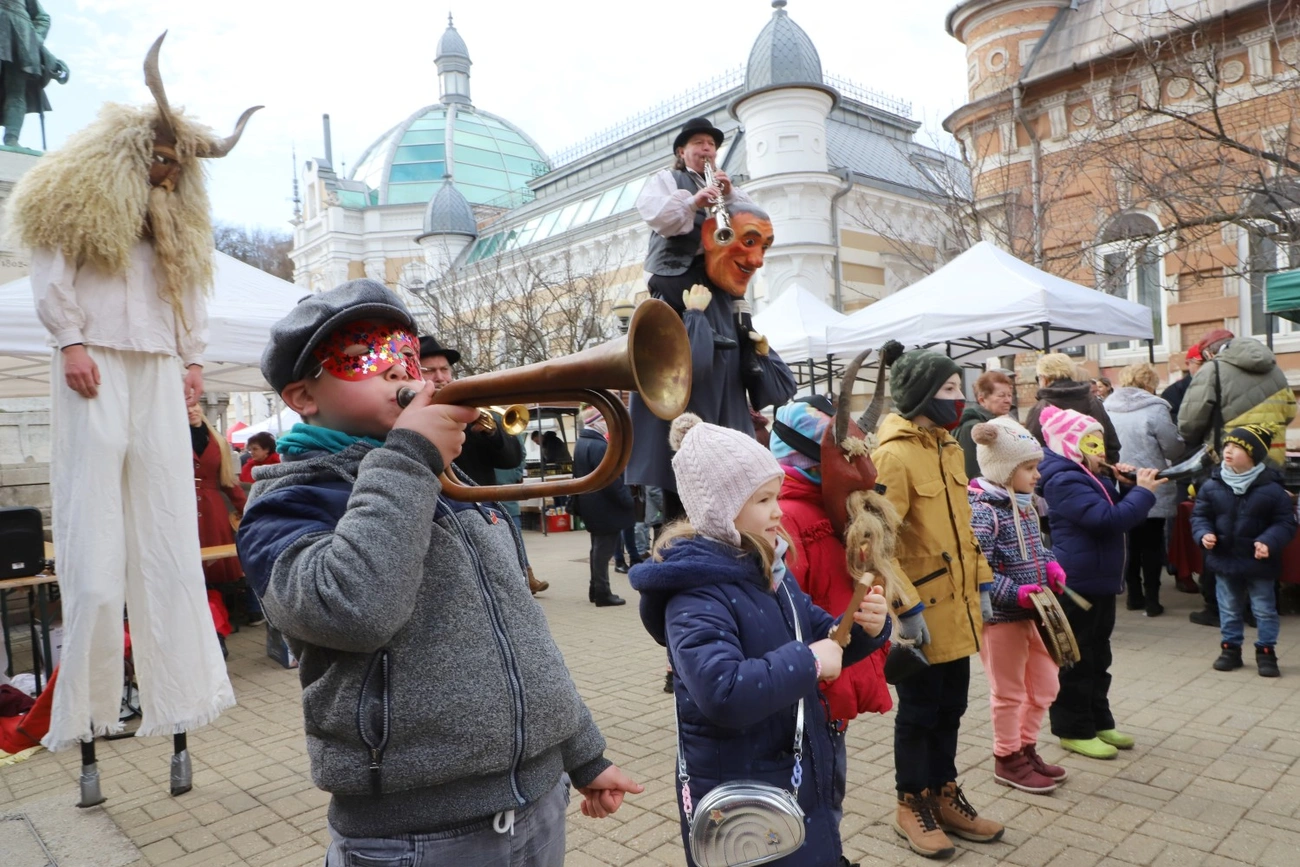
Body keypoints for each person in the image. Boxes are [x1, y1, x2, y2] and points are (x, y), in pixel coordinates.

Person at [237, 280, 641, 862]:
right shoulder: (288, 500)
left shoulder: (448, 481)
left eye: (405, 355)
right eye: (364, 358)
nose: (401, 372)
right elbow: (353, 610)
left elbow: (520, 632)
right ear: (303, 395)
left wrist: (582, 754)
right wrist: (408, 457)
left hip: (536, 805)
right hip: (414, 835)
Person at [6, 33, 253, 761]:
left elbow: (185, 293)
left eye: (178, 164)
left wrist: (192, 361)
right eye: (162, 157)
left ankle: (179, 697)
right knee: (93, 542)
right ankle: (85, 710)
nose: (170, 171)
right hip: (96, 363)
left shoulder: (172, 221)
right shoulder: (77, 200)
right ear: (134, 150)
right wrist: (71, 341)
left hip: (153, 369)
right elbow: (50, 270)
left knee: (169, 534)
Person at [628, 413, 891, 867]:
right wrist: (808, 663)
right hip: (740, 797)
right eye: (764, 499)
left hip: (790, 768)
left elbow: (822, 633)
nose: (779, 511)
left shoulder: (769, 570)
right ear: (721, 508)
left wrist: (867, 627)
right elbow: (722, 690)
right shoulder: (695, 594)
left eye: (778, 496)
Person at [871, 342, 1002, 860]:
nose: (960, 398)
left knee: (952, 706)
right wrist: (906, 608)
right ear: (922, 393)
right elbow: (874, 543)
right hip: (921, 616)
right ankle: (912, 804)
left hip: (961, 608)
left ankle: (944, 794)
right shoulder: (893, 454)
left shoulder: (948, 446)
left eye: (959, 387)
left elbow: (965, 530)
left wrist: (986, 582)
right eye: (949, 389)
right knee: (920, 712)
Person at [769, 399, 893, 852]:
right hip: (810, 693)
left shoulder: (832, 509)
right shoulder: (789, 519)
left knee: (827, 798)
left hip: (832, 685)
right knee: (813, 802)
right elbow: (787, 616)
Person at [626, 198, 797, 522]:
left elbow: (780, 390)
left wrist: (760, 352)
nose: (757, 260)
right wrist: (694, 317)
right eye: (747, 242)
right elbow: (692, 371)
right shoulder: (668, 306)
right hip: (683, 456)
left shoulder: (733, 311)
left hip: (729, 453)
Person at [1036, 406, 1161, 760]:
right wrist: (1144, 493)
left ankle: (1099, 720)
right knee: (1076, 659)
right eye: (1089, 442)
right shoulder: (1063, 478)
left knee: (1098, 657)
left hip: (1100, 582)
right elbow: (1107, 520)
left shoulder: (1089, 475)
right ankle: (1073, 729)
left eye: (1101, 441)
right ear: (1070, 445)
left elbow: (1113, 509)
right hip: (1076, 584)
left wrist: (1123, 485)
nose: (1100, 449)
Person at [967, 418, 1068, 795]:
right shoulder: (984, 511)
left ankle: (1027, 748)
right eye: (1029, 468)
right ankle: (1007, 757)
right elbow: (979, 572)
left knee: (1045, 684)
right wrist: (1017, 592)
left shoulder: (1023, 505)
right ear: (1005, 469)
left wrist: (1051, 564)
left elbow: (1036, 547)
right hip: (1002, 618)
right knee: (1008, 692)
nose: (1037, 474)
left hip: (1036, 613)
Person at [636, 116, 764, 388]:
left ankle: (749, 349)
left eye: (711, 144)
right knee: (686, 283)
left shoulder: (728, 187)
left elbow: (754, 225)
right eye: (698, 143)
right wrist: (694, 202)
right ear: (682, 152)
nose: (707, 149)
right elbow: (657, 217)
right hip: (675, 266)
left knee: (738, 296)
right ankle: (704, 331)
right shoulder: (668, 179)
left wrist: (728, 196)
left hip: (713, 270)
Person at [1177, 331, 1295, 626]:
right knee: (1265, 530)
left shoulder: (1213, 370)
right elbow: (1290, 411)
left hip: (1225, 466)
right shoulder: (1274, 368)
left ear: (1208, 354)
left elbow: (1189, 425)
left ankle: (1218, 608)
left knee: (1219, 532)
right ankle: (1264, 607)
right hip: (1271, 464)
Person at [1192, 425, 1295, 678]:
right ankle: (1230, 649)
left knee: (1264, 609)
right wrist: (1203, 534)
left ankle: (1266, 651)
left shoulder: (1272, 489)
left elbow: (1285, 523)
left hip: (1259, 562)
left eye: (1237, 447)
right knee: (1228, 607)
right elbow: (1199, 515)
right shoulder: (1212, 485)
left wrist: (1268, 542)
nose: (1228, 450)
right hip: (1225, 559)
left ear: (1254, 455)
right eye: (1227, 445)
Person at [1104, 363, 1184, 616]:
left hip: (1118, 483)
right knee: (1152, 543)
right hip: (1151, 482)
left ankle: (1133, 596)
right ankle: (1152, 600)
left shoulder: (1105, 407)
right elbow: (1173, 448)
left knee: (1128, 543)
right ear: (1150, 383)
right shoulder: (1156, 408)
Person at [189, 402, 260, 640]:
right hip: (183, 509)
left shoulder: (217, 441)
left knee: (217, 566)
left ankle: (219, 618)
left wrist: (248, 513)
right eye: (185, 405)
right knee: (190, 567)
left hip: (212, 511)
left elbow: (229, 481)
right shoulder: (169, 436)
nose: (192, 409)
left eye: (195, 404)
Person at [572, 405, 633, 607]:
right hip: (604, 507)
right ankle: (602, 592)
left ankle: (595, 589)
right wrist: (627, 499)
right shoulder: (599, 446)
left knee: (597, 549)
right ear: (597, 422)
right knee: (603, 551)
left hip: (592, 505)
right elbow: (610, 479)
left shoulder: (582, 442)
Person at [1025, 353, 1121, 463]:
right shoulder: (1095, 402)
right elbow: (1112, 446)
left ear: (1044, 378)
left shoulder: (1040, 410)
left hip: (1057, 478)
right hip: (1096, 476)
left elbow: (1032, 453)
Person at [956, 369, 1015, 481]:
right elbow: (973, 472)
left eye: (1009, 395)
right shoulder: (972, 427)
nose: (1008, 400)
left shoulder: (1004, 421)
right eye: (1001, 396)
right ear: (982, 400)